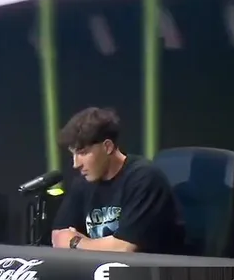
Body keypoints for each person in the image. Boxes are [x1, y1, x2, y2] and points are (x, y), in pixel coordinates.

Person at [49, 107, 185, 254]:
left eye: (82, 153)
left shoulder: (144, 179)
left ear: (108, 147)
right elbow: (58, 236)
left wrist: (76, 242)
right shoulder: (83, 183)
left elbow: (124, 248)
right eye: (73, 154)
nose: (76, 164)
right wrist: (93, 244)